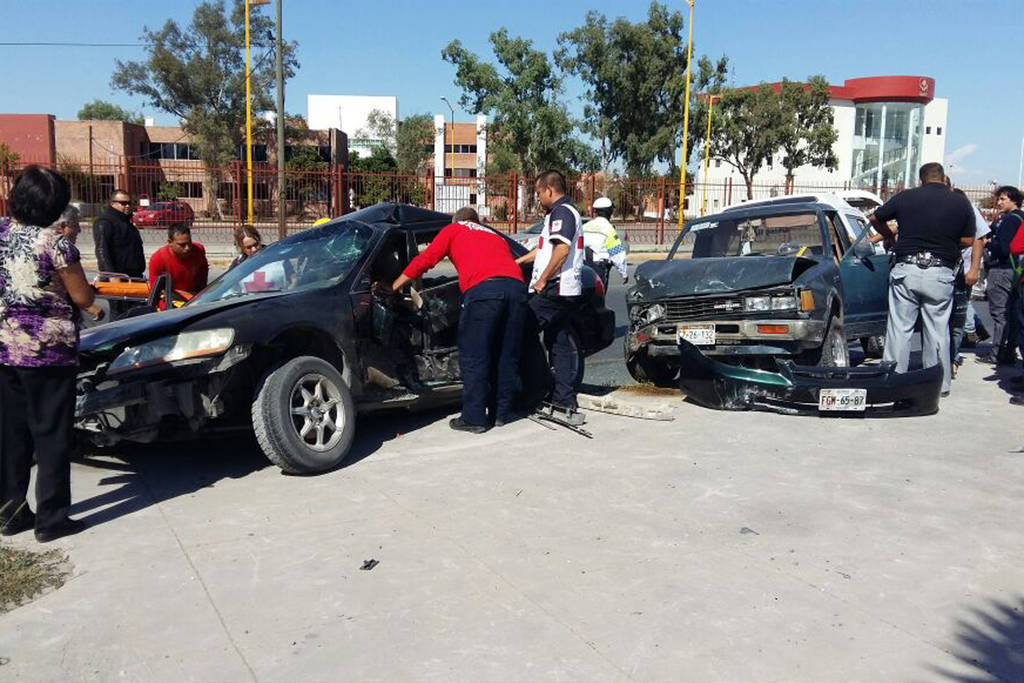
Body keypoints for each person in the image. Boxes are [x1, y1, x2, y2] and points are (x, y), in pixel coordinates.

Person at [0, 166, 104, 543]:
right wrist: (93, 303)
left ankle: (10, 512)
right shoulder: (56, 244)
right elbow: (83, 297)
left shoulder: (1, 232)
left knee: (11, 432)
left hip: (5, 347)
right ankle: (51, 518)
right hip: (48, 353)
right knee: (51, 434)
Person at [391, 207, 526, 433]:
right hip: (516, 289)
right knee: (505, 353)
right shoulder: (493, 234)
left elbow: (426, 259)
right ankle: (501, 413)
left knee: (474, 355)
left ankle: (474, 418)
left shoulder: (453, 229)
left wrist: (394, 286)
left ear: (457, 220)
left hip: (484, 292)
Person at [868, 162, 975, 396]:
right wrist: (947, 243)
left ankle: (894, 380)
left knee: (899, 328)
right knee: (937, 330)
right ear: (944, 178)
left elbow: (874, 218)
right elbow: (969, 240)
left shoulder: (906, 197)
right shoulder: (959, 201)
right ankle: (937, 385)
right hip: (940, 271)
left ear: (921, 179)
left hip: (906, 269)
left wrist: (889, 236)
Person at [515, 170, 586, 423]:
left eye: (538, 193)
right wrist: (517, 262)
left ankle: (534, 391)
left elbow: (562, 250)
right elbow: (544, 250)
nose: (538, 198)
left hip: (556, 288)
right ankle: (563, 400)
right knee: (558, 343)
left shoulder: (562, 212)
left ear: (549, 190)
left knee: (522, 331)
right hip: (565, 290)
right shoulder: (560, 213)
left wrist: (543, 279)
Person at [977, 186, 1024, 365]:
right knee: (1013, 312)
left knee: (1000, 313)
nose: (999, 202)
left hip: (1002, 269)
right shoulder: (1020, 218)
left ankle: (997, 353)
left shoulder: (1010, 220)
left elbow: (1004, 248)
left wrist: (989, 243)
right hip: (1016, 270)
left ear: (1014, 200)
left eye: (1003, 199)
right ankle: (1010, 350)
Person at [948, 186, 988, 375]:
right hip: (937, 272)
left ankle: (952, 358)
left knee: (957, 319)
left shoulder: (967, 208)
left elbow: (979, 238)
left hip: (962, 273)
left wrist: (973, 269)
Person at [92, 189, 144, 278]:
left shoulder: (126, 222)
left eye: (129, 203)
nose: (127, 206)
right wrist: (111, 275)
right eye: (123, 203)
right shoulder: (105, 222)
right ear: (113, 204)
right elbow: (102, 250)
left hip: (134, 276)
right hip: (117, 277)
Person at [148, 223, 209, 295]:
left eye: (189, 243)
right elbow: (156, 290)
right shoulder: (158, 259)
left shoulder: (198, 250)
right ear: (170, 242)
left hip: (195, 296)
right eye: (182, 245)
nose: (187, 248)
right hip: (170, 298)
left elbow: (203, 277)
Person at [581, 197, 628, 287]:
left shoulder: (585, 227)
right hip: (599, 269)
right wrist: (624, 273)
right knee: (599, 294)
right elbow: (617, 253)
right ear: (610, 212)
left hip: (583, 268)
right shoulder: (609, 230)